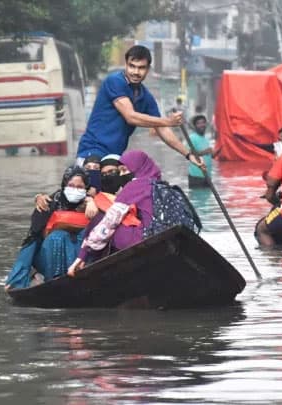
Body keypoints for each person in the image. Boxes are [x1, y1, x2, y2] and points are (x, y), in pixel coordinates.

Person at [75, 45, 205, 170]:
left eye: (141, 68)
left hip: (114, 157)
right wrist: (168, 121)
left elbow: (162, 129)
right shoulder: (115, 81)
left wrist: (188, 155)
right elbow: (130, 117)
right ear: (126, 65)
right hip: (92, 152)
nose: (136, 72)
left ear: (148, 69)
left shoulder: (146, 97)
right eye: (132, 66)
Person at [67, 150, 160, 277]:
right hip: (158, 235)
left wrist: (82, 255)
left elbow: (109, 222)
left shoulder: (133, 187)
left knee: (100, 219)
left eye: (123, 170)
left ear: (135, 168)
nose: (121, 175)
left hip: (141, 239)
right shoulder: (160, 185)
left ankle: (91, 268)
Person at [5, 167, 90, 290]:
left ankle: (82, 274)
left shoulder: (92, 204)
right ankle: (53, 278)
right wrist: (17, 276)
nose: (75, 189)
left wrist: (92, 202)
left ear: (86, 188)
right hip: (49, 257)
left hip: (81, 259)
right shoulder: (48, 204)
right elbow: (32, 238)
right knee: (58, 236)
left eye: (80, 187)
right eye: (71, 185)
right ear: (64, 184)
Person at [186, 115, 220, 188]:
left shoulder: (205, 139)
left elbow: (211, 156)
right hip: (196, 176)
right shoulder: (192, 137)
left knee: (207, 198)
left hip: (207, 175)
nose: (201, 125)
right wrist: (205, 151)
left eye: (203, 123)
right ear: (195, 126)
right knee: (197, 198)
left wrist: (220, 148)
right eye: (198, 123)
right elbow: (189, 154)